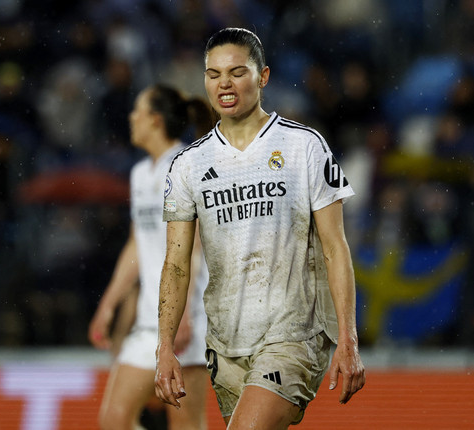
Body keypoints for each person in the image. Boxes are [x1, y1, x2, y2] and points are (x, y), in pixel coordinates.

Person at [155, 27, 365, 429]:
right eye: (214, 74)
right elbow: (177, 263)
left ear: (263, 77)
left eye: (237, 72)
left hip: (294, 334)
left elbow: (335, 246)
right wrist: (164, 347)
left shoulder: (304, 146)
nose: (224, 84)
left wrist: (349, 339)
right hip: (226, 342)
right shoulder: (188, 165)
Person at [88, 84, 215, 430]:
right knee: (114, 419)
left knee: (186, 424)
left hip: (184, 318)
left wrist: (185, 314)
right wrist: (109, 304)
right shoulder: (140, 175)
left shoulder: (186, 165)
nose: (131, 117)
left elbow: (195, 246)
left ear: (155, 120)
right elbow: (136, 245)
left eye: (138, 111)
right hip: (148, 323)